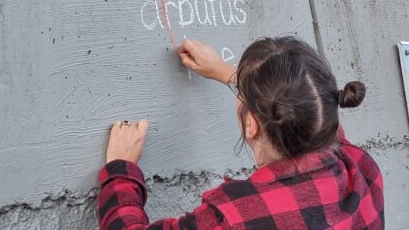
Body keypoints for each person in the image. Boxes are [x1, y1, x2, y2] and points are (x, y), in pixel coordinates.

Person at [97, 36, 384, 230]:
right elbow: (304, 107)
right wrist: (227, 73)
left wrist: (120, 171)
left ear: (251, 125)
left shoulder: (237, 216)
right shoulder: (361, 167)